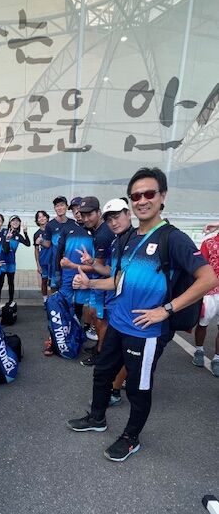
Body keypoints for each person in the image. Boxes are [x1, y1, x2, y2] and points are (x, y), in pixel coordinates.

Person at [68, 167, 217, 462]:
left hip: (146, 332)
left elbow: (209, 278)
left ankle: (131, 438)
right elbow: (117, 280)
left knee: (138, 387)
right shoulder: (128, 238)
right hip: (119, 323)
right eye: (136, 196)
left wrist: (166, 309)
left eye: (149, 193)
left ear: (162, 197)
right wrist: (89, 283)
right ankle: (97, 418)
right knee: (102, 373)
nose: (142, 200)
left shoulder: (173, 238)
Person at [78, 196, 115, 365]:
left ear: (99, 212)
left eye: (89, 214)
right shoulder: (96, 230)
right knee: (94, 315)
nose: (86, 219)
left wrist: (72, 266)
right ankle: (99, 347)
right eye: (83, 215)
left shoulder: (104, 234)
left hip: (104, 284)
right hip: (97, 283)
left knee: (101, 320)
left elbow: (98, 266)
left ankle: (101, 354)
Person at [192, 228, 219, 376]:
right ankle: (199, 350)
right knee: (203, 323)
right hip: (210, 292)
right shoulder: (208, 243)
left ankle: (217, 358)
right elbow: (200, 267)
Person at [42, 196, 75, 292]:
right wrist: (40, 241)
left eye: (62, 205)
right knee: (54, 289)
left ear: (66, 207)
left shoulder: (73, 223)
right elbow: (47, 244)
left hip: (70, 262)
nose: (59, 208)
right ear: (54, 208)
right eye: (57, 206)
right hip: (55, 264)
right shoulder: (50, 225)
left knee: (69, 288)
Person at [2, 215, 30, 304]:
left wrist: (25, 232)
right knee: (0, 283)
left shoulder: (18, 236)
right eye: (13, 221)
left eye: (17, 221)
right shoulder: (4, 231)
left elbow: (28, 244)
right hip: (1, 262)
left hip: (11, 263)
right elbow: (5, 250)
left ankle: (11, 301)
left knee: (11, 283)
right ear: (10, 223)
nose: (15, 222)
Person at [33, 210, 51, 303]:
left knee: (54, 283)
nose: (42, 218)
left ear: (47, 218)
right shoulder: (36, 234)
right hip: (43, 262)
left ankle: (54, 302)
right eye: (39, 217)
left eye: (43, 216)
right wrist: (38, 265)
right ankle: (45, 300)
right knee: (44, 281)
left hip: (53, 262)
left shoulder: (53, 230)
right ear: (37, 221)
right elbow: (36, 250)